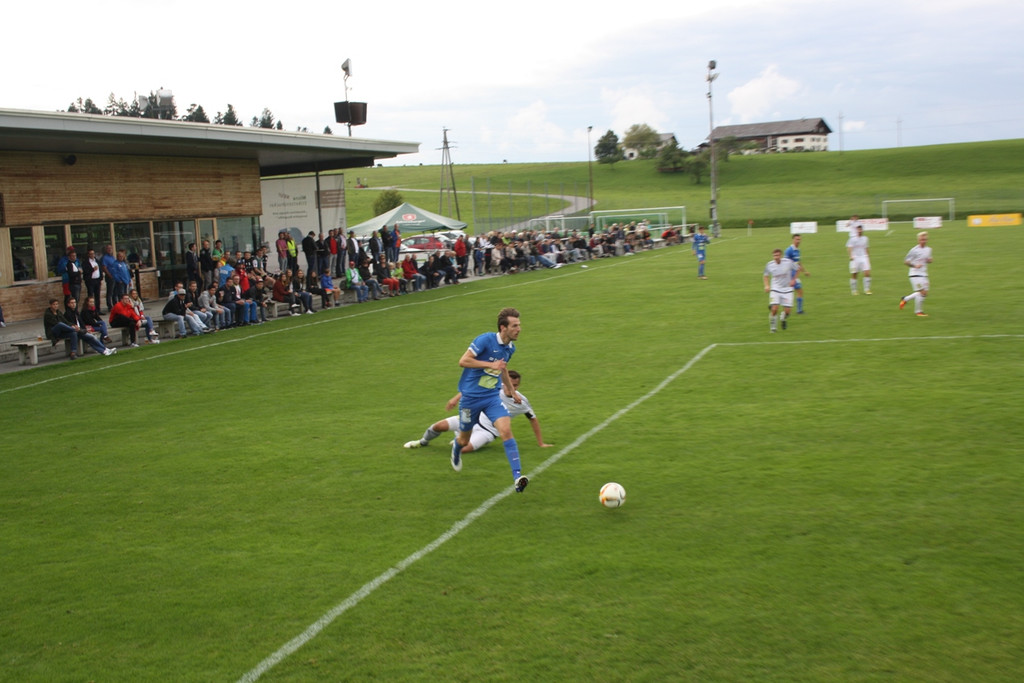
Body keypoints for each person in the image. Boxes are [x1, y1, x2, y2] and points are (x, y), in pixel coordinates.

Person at [449, 307, 529, 492]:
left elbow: (502, 369)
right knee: (463, 439)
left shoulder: (510, 348)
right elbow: (463, 361)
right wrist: (490, 364)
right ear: (503, 327)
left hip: (492, 397)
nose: (519, 329)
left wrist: (512, 391)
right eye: (515, 326)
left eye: (519, 325)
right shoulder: (485, 340)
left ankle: (517, 477)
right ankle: (456, 450)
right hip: (470, 399)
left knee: (506, 430)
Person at [405, 370, 553, 455]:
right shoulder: (494, 386)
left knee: (463, 450)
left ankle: (460, 437)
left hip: (488, 432)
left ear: (518, 385)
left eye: (515, 385)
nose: (510, 387)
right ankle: (422, 442)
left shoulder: (522, 402)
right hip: (472, 418)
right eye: (509, 383)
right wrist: (455, 399)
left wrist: (541, 443)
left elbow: (533, 419)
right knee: (439, 426)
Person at [44, 298, 115, 359]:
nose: (73, 304)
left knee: (88, 337)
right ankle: (104, 349)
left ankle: (104, 350)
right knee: (60, 324)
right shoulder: (51, 314)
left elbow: (68, 322)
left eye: (57, 304)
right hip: (53, 332)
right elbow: (57, 323)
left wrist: (75, 326)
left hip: (72, 331)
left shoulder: (66, 312)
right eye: (54, 304)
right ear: (50, 305)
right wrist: (76, 328)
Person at [899, 231, 933, 317]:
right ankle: (918, 312)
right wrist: (915, 265)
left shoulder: (928, 249)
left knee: (924, 294)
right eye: (921, 239)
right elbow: (906, 262)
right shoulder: (914, 250)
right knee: (922, 292)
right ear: (918, 240)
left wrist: (929, 261)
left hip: (924, 274)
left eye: (925, 239)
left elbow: (928, 259)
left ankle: (905, 299)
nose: (923, 241)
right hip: (914, 274)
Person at [763, 248, 796, 333]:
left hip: (788, 289)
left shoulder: (788, 262)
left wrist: (793, 279)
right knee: (774, 308)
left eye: (777, 255)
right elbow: (766, 275)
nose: (776, 257)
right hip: (775, 288)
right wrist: (766, 286)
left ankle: (783, 317)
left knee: (787, 311)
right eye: (774, 256)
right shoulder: (769, 265)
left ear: (781, 255)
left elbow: (798, 268)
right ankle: (773, 328)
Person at [784, 234, 810, 314]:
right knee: (797, 291)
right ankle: (798, 310)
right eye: (797, 239)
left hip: (795, 274)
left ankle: (797, 310)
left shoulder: (797, 250)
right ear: (793, 240)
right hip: (791, 275)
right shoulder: (789, 250)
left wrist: (804, 271)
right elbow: (785, 264)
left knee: (797, 291)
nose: (798, 241)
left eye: (799, 239)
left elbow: (798, 262)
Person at [845, 218, 872, 295]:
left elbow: (866, 248)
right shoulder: (852, 239)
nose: (860, 231)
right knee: (855, 274)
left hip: (864, 257)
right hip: (855, 258)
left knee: (867, 273)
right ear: (856, 230)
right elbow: (849, 248)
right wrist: (851, 256)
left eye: (861, 229)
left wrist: (868, 257)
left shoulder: (865, 238)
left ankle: (867, 289)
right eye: (858, 229)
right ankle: (854, 290)